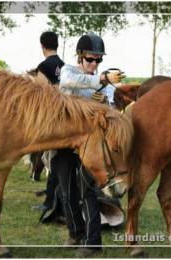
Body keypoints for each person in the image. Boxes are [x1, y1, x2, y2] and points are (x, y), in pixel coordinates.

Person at [52, 32, 125, 257]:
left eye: (98, 60)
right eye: (90, 59)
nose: (94, 64)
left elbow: (113, 111)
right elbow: (68, 83)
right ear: (80, 57)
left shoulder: (107, 87)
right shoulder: (68, 72)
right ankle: (75, 233)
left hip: (91, 147)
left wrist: (107, 106)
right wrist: (100, 81)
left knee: (88, 192)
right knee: (66, 192)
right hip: (64, 143)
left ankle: (93, 242)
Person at [31, 31, 65, 217]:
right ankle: (51, 199)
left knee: (52, 161)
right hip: (65, 118)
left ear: (42, 46)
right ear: (57, 45)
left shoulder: (43, 67)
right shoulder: (65, 66)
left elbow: (39, 96)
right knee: (55, 161)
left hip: (50, 120)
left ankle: (50, 201)